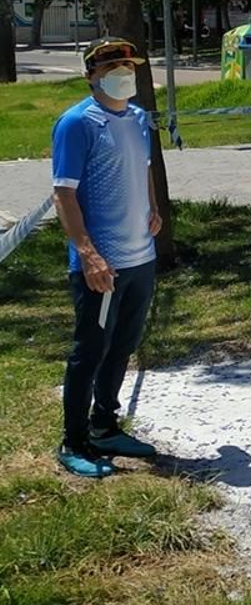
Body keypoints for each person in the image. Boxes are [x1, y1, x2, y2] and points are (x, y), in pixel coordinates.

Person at [51, 37, 163, 478]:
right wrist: (88, 253)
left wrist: (153, 208)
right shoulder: (77, 123)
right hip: (103, 264)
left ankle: (104, 424)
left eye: (128, 64)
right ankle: (73, 440)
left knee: (123, 346)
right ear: (91, 75)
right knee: (90, 349)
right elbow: (64, 193)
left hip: (141, 256)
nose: (123, 72)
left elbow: (146, 169)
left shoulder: (137, 118)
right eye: (112, 66)